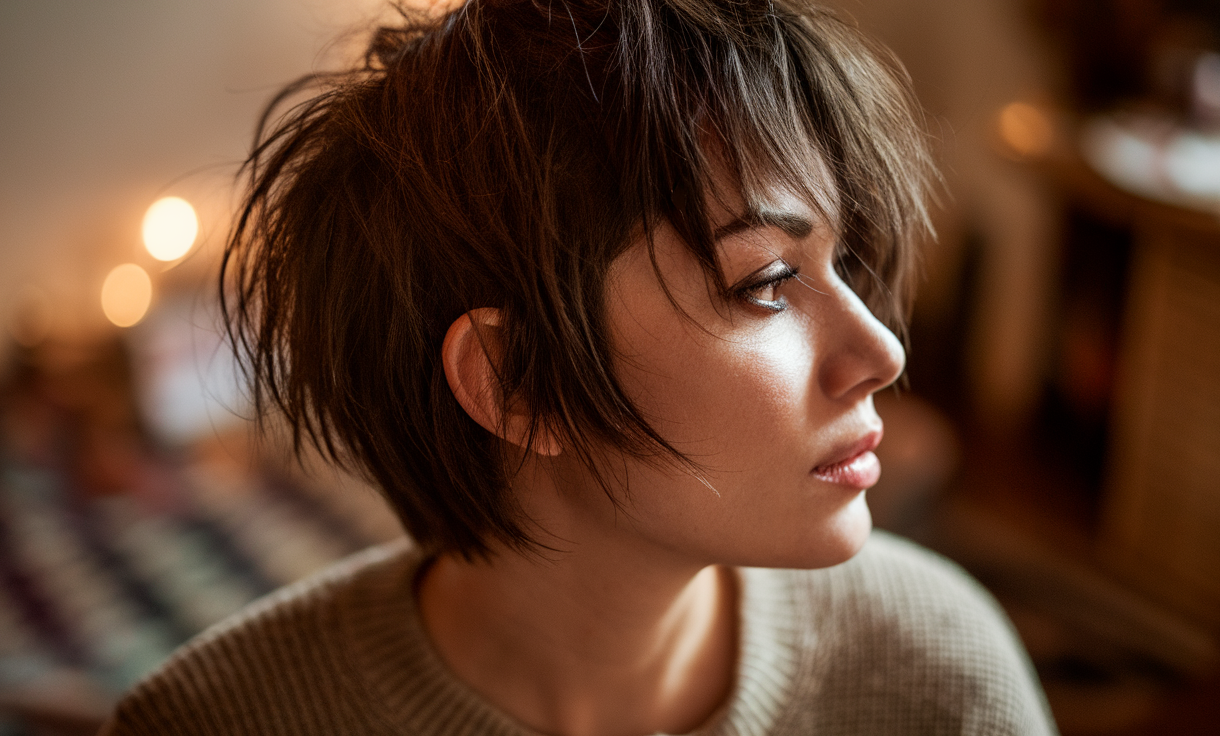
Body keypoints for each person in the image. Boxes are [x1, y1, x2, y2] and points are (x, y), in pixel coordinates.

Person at [102, 0, 1054, 733]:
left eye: (841, 264)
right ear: (516, 381)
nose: (881, 353)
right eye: (767, 281)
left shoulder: (937, 672)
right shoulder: (211, 719)